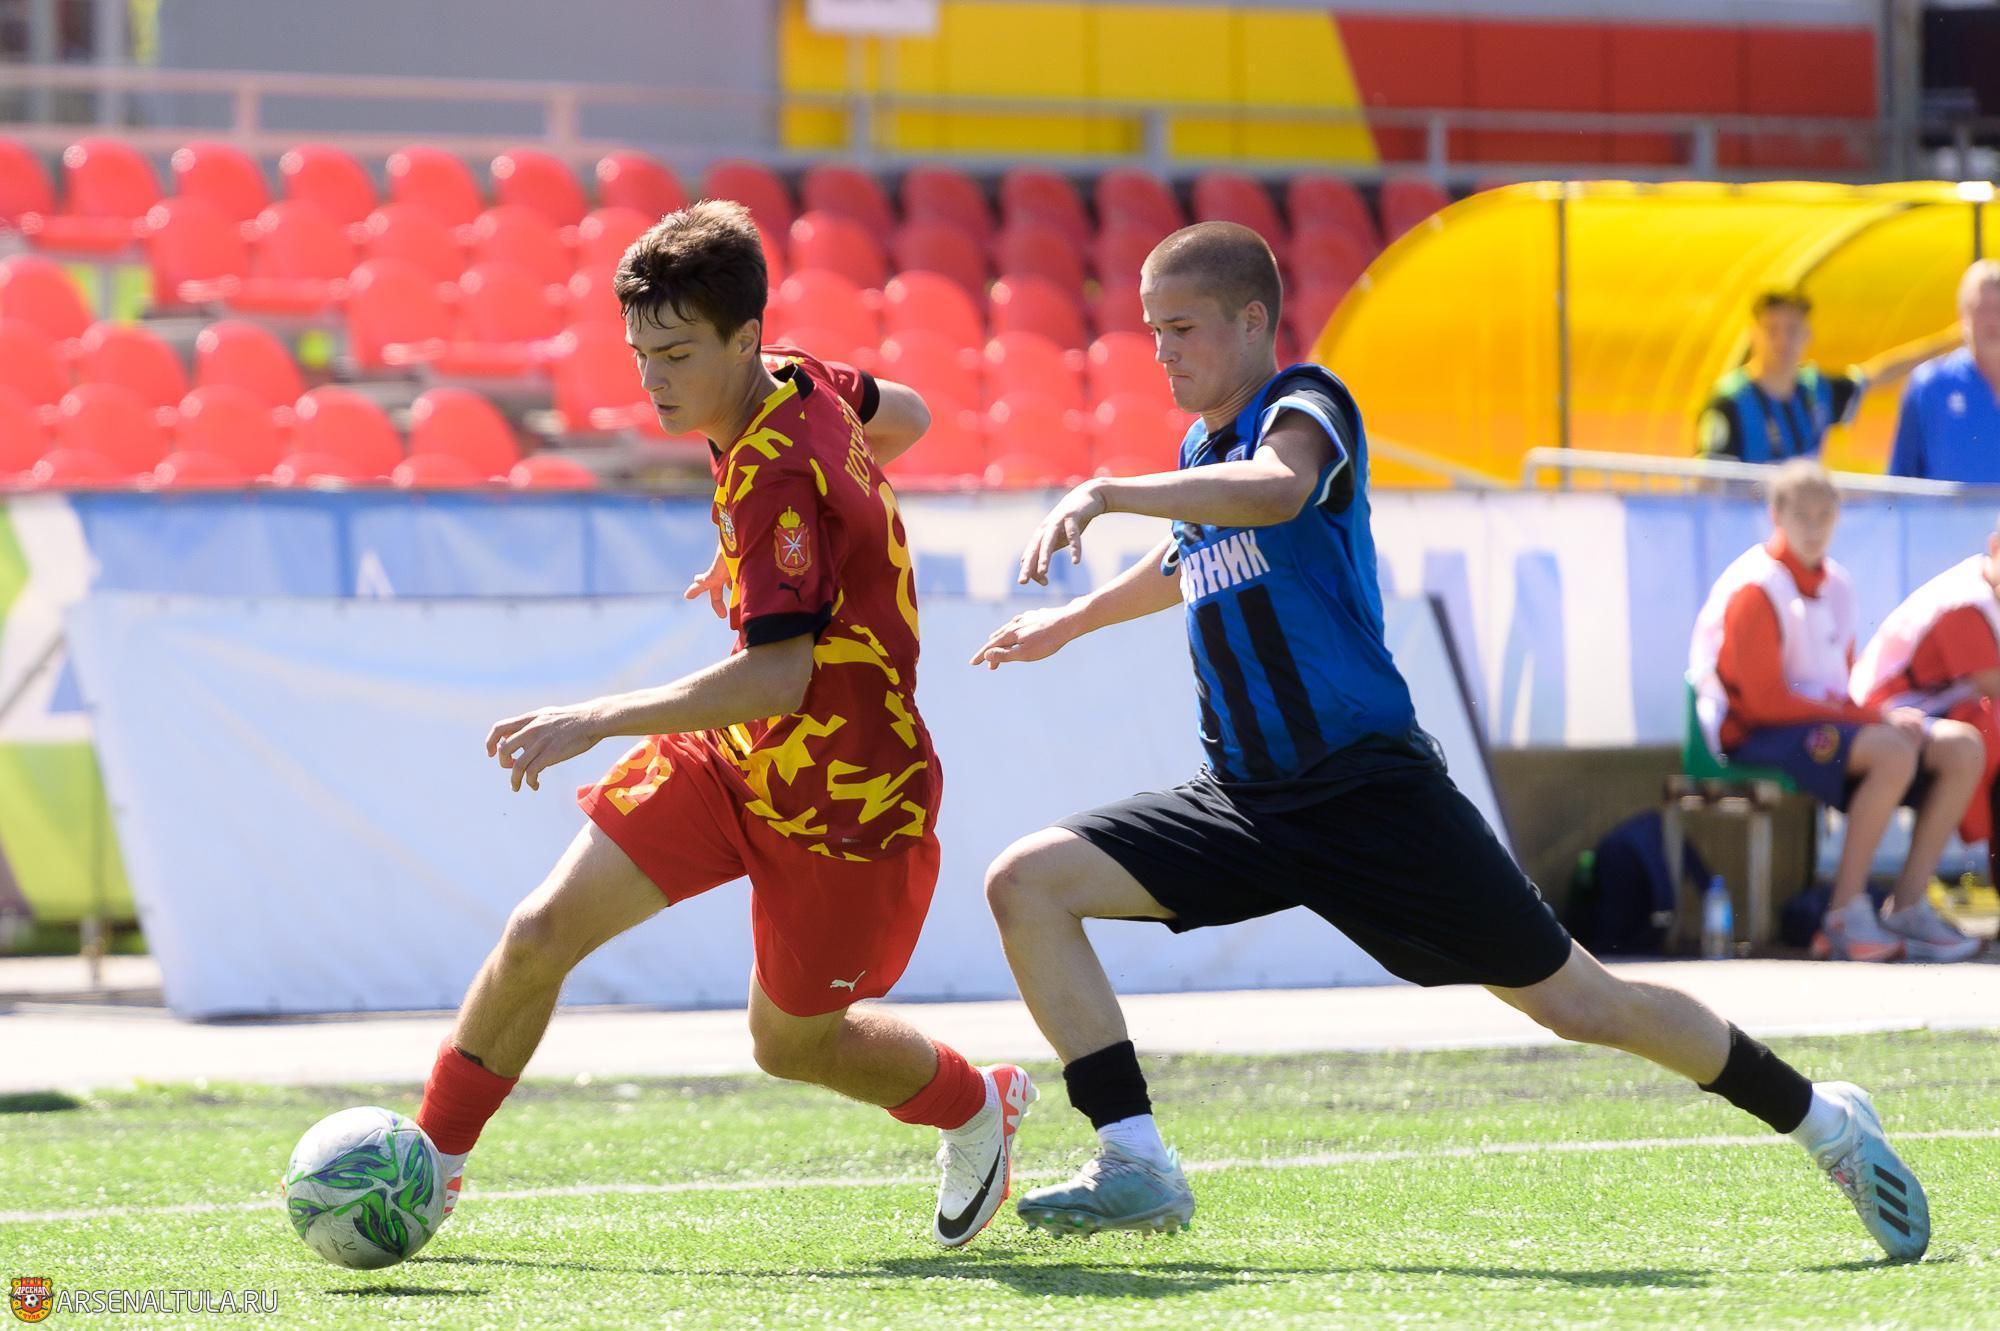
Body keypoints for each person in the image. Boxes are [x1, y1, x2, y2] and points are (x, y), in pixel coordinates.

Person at [971, 222, 1930, 1261]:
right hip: (1244, 800)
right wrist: (1072, 621)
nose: (1161, 351)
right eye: (1152, 329)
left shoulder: (1305, 405)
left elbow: (1277, 490)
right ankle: (1134, 1155)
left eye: (1182, 327)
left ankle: (1821, 1117)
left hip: (1370, 794)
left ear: (1252, 320)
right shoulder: (1202, 457)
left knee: (1582, 1002)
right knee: (1027, 882)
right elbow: (1185, 553)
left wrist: (1106, 489)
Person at [412, 200, 1034, 1251]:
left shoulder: (772, 473)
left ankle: (977, 1102)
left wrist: (596, 714)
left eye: (677, 354)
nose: (653, 379)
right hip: (732, 761)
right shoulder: (796, 375)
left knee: (789, 1044)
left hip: (848, 799)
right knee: (539, 932)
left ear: (743, 338)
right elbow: (910, 415)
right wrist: (787, 555)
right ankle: (426, 1165)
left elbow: (779, 676)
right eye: (639, 354)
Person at [1689, 461, 1984, 963]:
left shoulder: (1839, 586)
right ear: (1775, 515)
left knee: (1961, 747)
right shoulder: (1756, 587)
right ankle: (1844, 912)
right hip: (1752, 732)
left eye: (1824, 515)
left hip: (1812, 724)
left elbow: (1838, 689)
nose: (1813, 527)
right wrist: (1877, 720)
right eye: (1801, 515)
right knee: (1892, 751)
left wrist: (1877, 717)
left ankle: (1907, 906)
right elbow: (1761, 703)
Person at [1852, 527, 2000, 931]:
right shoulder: (1965, 600)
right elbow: (1991, 681)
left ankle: (1905, 906)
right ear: (1994, 546)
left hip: (1917, 717)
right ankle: (1894, 907)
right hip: (1877, 718)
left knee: (1981, 740)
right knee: (1972, 746)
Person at [1697, 289, 1949, 464]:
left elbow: (1880, 373)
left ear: (1807, 334)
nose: (1782, 341)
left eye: (1792, 330)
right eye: (1771, 330)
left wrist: (1951, 340)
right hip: (1746, 526)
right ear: (1753, 335)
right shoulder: (1728, 401)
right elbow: (1708, 483)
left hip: (1803, 524)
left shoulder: (1815, 390)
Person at [1888, 261, 2000, 481]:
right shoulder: (1930, 385)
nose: (1993, 320)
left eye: (1999, 309)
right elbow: (1900, 479)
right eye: (1982, 309)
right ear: (1962, 315)